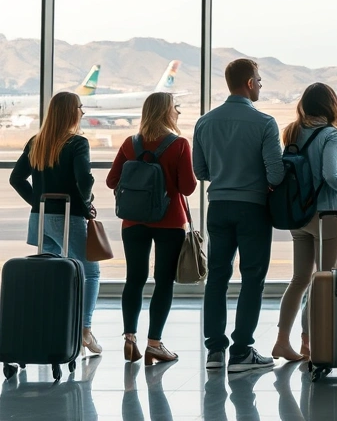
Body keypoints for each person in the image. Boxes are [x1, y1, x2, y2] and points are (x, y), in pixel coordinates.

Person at [193, 59, 284, 372]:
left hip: (218, 206)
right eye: (258, 79)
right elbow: (275, 174)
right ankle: (242, 350)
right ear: (248, 83)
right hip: (252, 209)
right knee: (252, 279)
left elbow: (200, 170)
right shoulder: (265, 123)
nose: (260, 84)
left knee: (217, 278)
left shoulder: (205, 122)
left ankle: (215, 352)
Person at [106, 92, 196, 366]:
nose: (178, 112)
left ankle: (129, 339)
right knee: (163, 281)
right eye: (175, 108)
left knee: (134, 278)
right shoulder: (179, 144)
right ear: (167, 112)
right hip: (169, 221)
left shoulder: (130, 143)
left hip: (133, 221)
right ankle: (154, 345)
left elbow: (112, 181)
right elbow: (188, 188)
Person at [9, 91, 101, 355]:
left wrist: (37, 203)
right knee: (90, 271)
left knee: (50, 270)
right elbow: (84, 180)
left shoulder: (37, 141)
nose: (83, 112)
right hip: (68, 217)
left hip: (40, 220)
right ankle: (84, 330)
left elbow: (16, 179)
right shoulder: (77, 143)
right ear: (71, 112)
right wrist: (87, 204)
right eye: (80, 107)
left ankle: (55, 324)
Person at [272, 83, 337, 362]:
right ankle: (311, 342)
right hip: (327, 214)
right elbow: (330, 174)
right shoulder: (331, 134)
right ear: (330, 106)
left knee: (299, 279)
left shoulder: (292, 131)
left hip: (300, 215)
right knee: (324, 281)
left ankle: (282, 340)